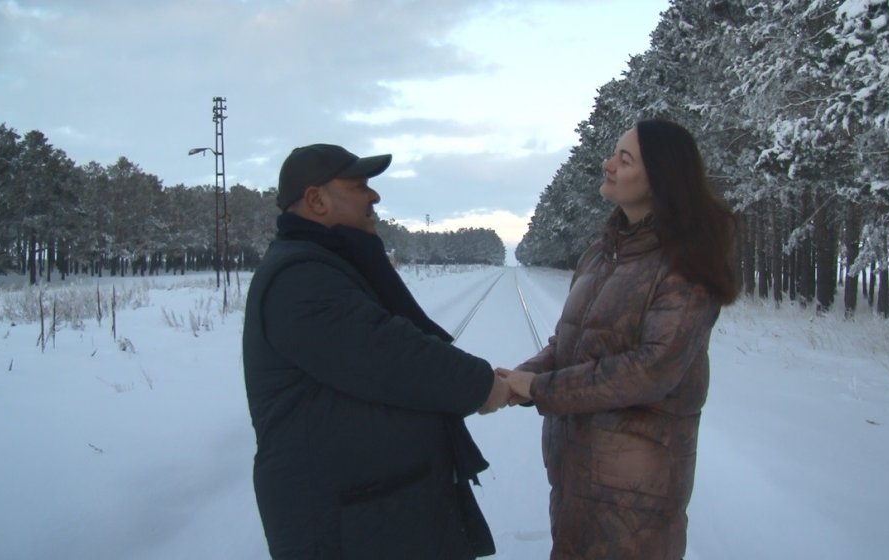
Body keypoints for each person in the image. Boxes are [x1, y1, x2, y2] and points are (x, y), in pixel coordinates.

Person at [242, 143, 510, 559]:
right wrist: (486, 385)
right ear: (316, 199)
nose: (375, 196)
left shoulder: (328, 264)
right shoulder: (301, 278)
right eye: (359, 186)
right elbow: (393, 356)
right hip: (344, 527)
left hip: (375, 512)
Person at [497, 118, 739, 560]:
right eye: (613, 153)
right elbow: (567, 344)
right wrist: (520, 377)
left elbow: (651, 370)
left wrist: (540, 389)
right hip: (575, 476)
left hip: (635, 495)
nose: (607, 164)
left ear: (660, 179)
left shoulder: (683, 264)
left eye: (624, 158)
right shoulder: (600, 253)